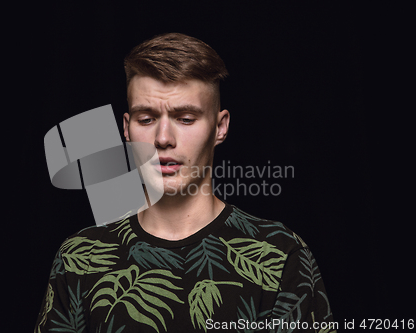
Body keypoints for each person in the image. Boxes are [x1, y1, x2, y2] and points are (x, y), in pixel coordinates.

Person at [34, 33, 337, 333]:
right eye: (147, 119)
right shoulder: (81, 257)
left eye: (186, 118)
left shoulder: (280, 254)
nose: (163, 139)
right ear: (126, 129)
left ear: (220, 127)